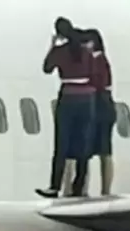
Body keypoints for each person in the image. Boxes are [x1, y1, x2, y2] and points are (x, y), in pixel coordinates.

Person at [36, 18, 97, 198]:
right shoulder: (86, 52)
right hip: (87, 99)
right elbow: (93, 73)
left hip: (68, 97)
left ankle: (55, 186)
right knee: (83, 145)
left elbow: (47, 68)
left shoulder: (61, 51)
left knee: (61, 144)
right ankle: (78, 186)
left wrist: (53, 46)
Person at [71, 28, 116, 196]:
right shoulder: (96, 60)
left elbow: (97, 84)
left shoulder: (98, 61)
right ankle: (82, 188)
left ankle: (104, 190)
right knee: (89, 152)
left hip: (100, 105)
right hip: (97, 104)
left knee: (102, 151)